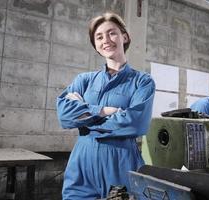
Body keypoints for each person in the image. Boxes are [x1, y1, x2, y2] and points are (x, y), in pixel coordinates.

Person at [56, 11, 155, 199]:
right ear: (96, 45)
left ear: (124, 36)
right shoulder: (83, 80)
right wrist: (103, 110)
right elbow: (64, 115)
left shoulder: (142, 82)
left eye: (112, 33)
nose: (106, 40)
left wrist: (84, 117)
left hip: (121, 162)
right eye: (99, 37)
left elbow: (136, 123)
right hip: (82, 163)